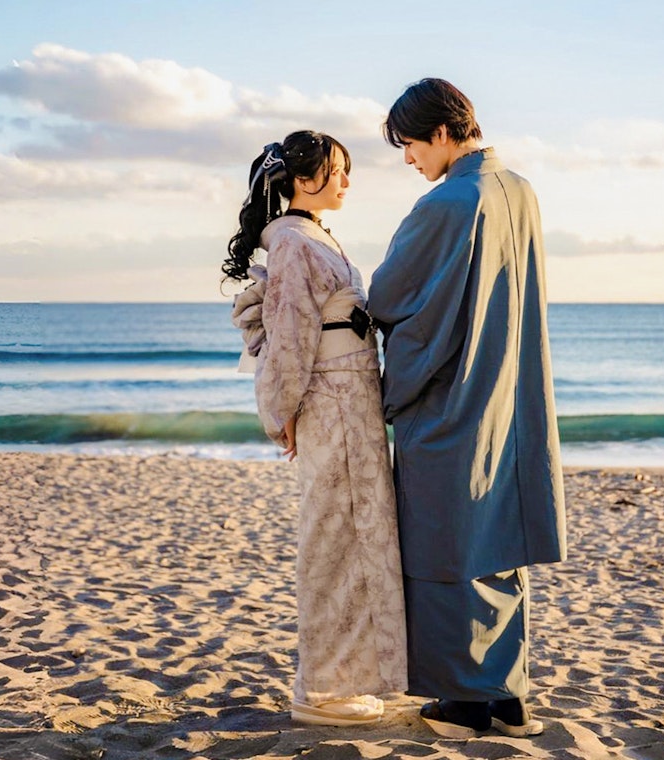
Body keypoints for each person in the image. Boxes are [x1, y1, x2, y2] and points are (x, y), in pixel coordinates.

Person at [366, 79, 567, 739]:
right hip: (510, 393)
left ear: (444, 134)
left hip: (452, 401)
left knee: (445, 545)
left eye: (411, 144)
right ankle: (506, 695)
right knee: (497, 543)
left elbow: (392, 294)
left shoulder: (449, 201)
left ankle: (465, 701)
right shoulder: (520, 190)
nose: (408, 159)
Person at [225, 130, 408, 726]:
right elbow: (292, 338)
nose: (348, 183)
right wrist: (284, 414)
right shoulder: (294, 244)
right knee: (332, 539)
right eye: (339, 172)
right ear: (305, 181)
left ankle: (349, 677)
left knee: (359, 537)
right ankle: (321, 691)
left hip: (351, 399)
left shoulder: (314, 238)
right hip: (331, 401)